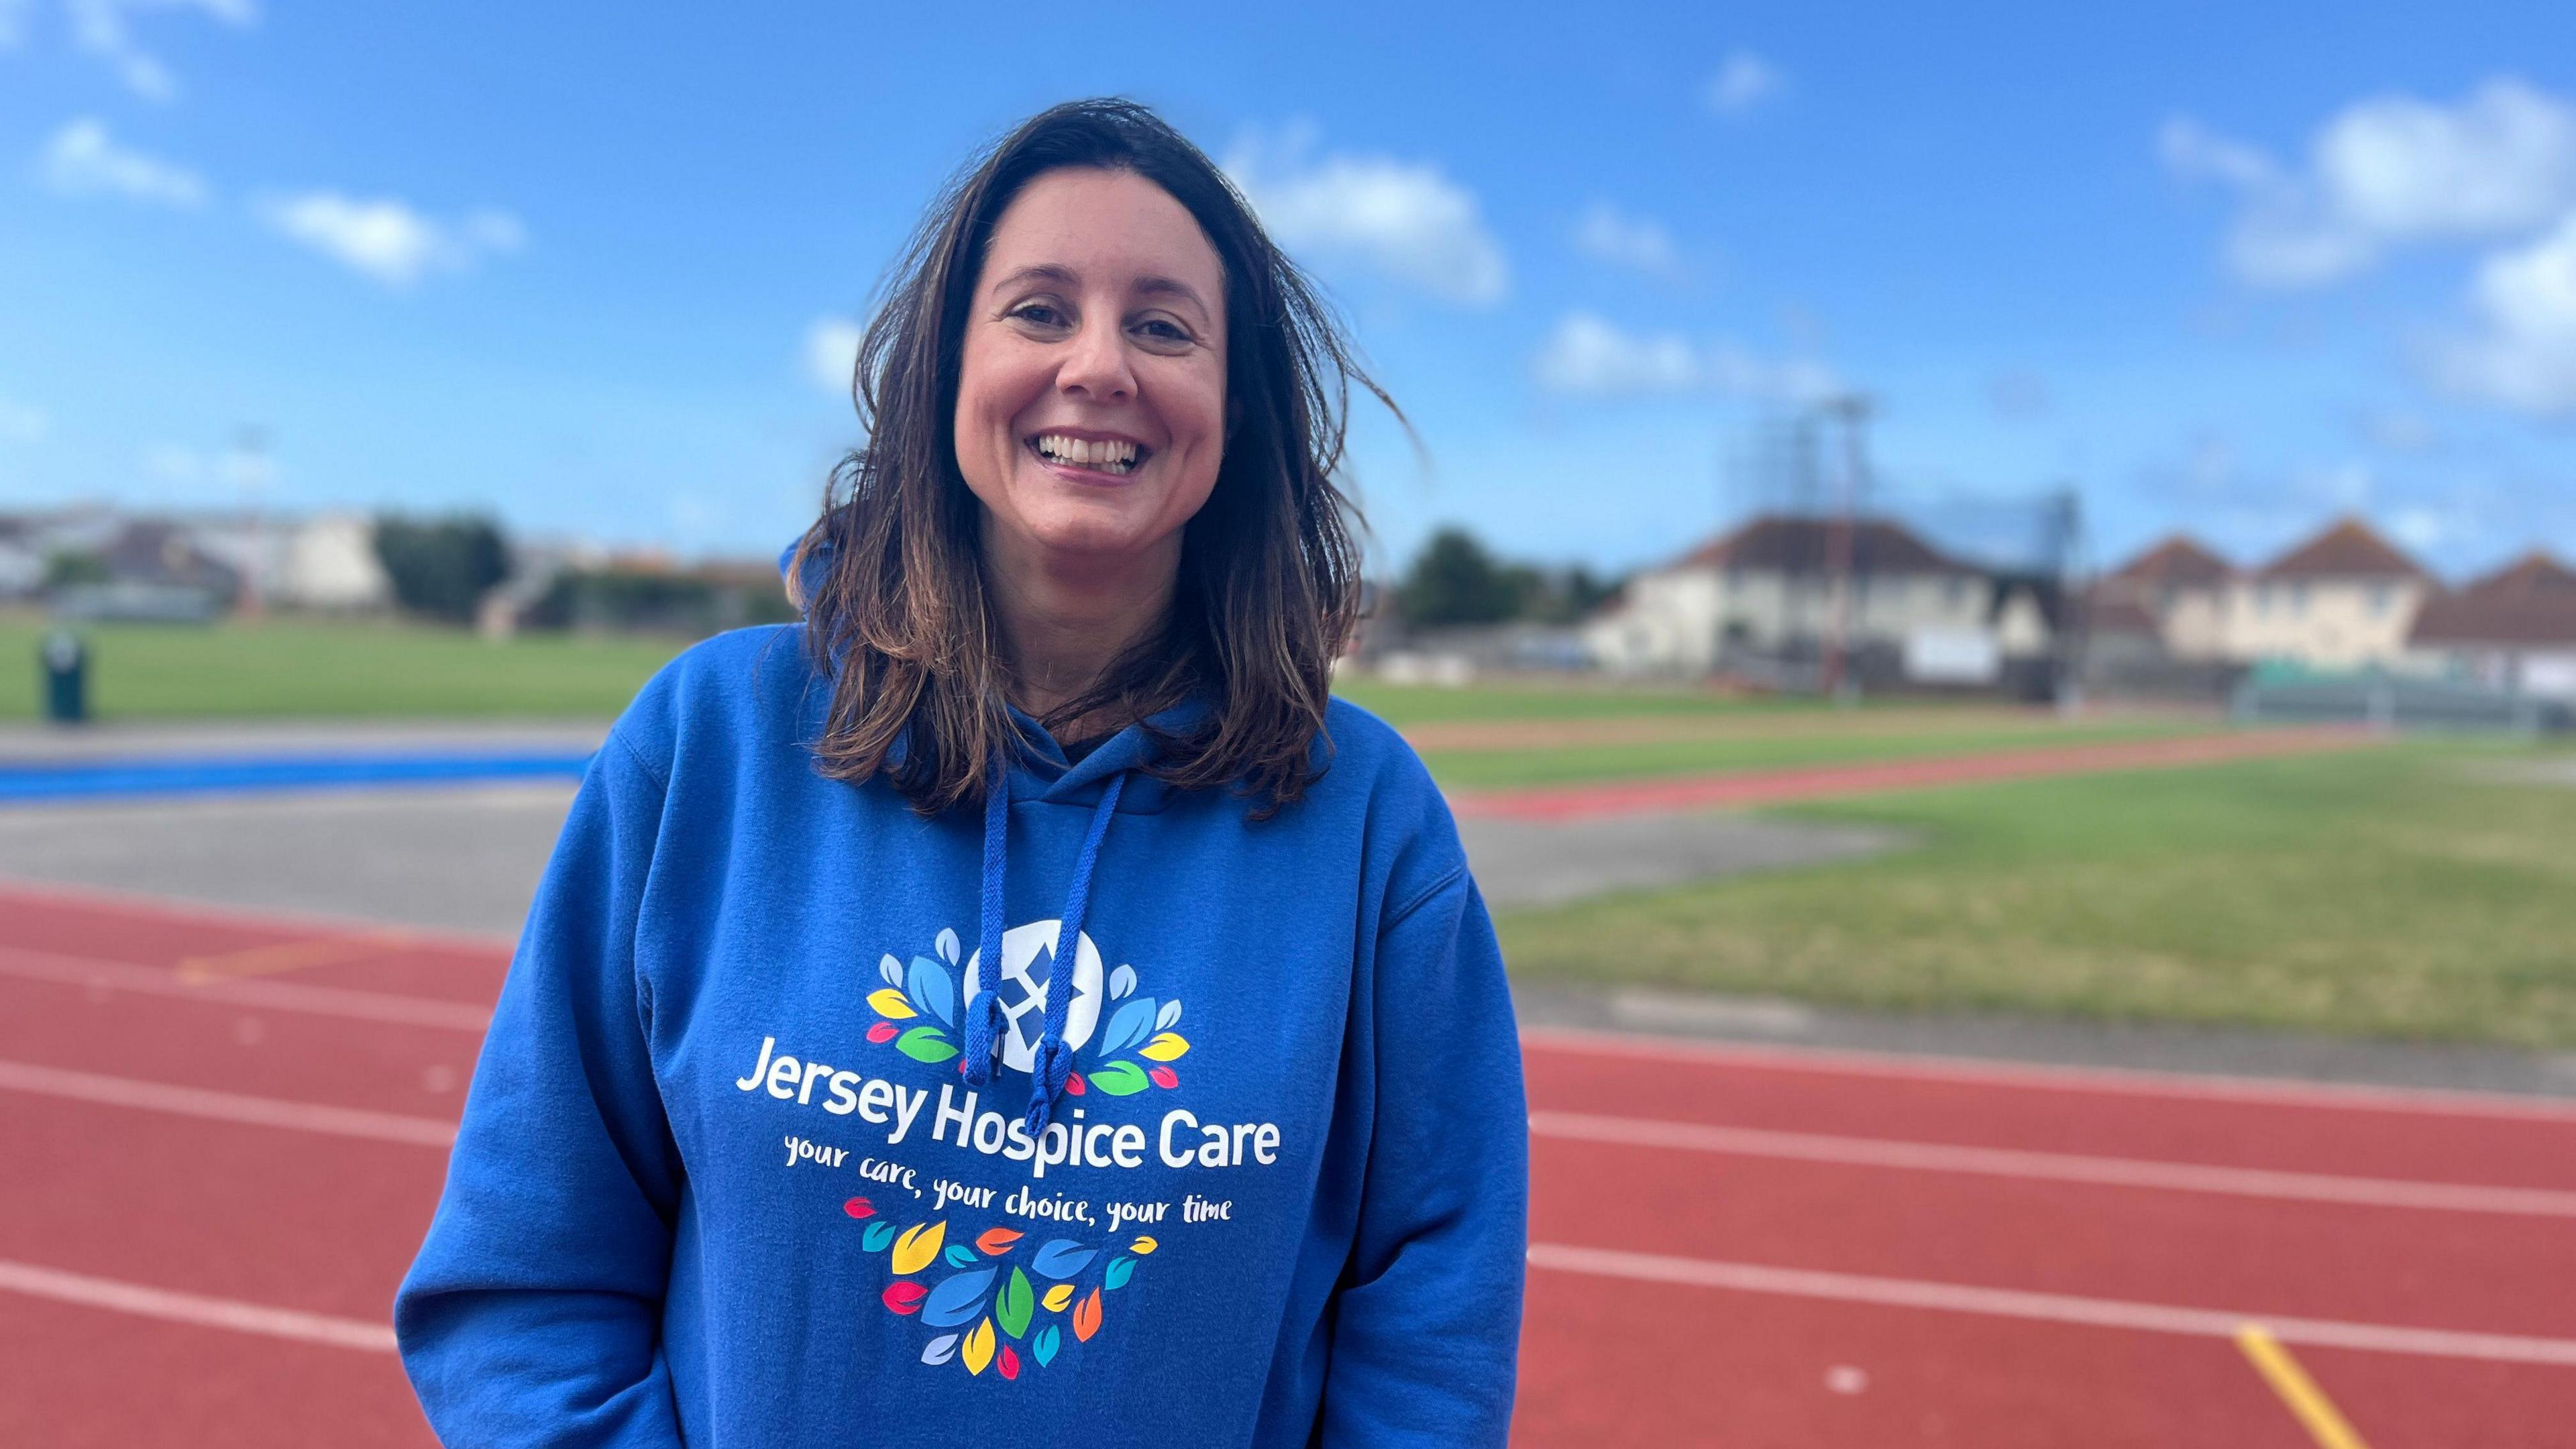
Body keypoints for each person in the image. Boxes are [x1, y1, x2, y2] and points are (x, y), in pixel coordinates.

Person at [394, 97, 1526, 1447]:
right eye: (1040, 311)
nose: (1100, 366)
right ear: (945, 370)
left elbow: (1431, 1340)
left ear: (1238, 408)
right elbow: (525, 1286)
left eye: (1164, 325)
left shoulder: (1369, 826)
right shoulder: (712, 742)